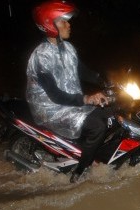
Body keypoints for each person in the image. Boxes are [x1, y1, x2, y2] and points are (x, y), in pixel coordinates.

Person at [26, 0, 111, 183]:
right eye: (63, 21)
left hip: (70, 101)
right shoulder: (40, 57)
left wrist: (106, 80)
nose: (68, 24)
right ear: (50, 25)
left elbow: (83, 72)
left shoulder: (68, 49)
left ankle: (92, 152)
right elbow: (55, 95)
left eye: (68, 20)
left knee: (111, 110)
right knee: (98, 127)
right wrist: (87, 98)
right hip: (51, 109)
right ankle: (80, 172)